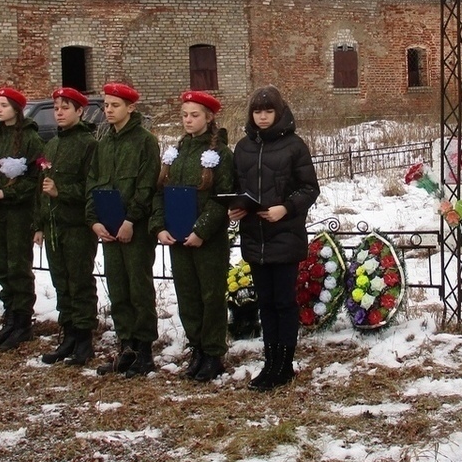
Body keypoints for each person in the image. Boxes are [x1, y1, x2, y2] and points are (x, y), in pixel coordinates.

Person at [229, 85, 320, 391]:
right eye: (258, 112)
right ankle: (269, 362)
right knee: (265, 303)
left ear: (279, 113)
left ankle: (285, 364)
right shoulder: (242, 148)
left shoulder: (294, 146)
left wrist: (285, 207)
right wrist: (237, 208)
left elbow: (309, 188)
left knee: (283, 302)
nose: (263, 117)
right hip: (255, 237)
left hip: (285, 234)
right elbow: (236, 186)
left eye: (268, 111)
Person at [152, 90, 235, 382]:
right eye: (185, 115)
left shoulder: (220, 154)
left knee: (211, 295)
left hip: (207, 240)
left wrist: (201, 230)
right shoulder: (175, 153)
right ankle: (197, 347)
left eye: (195, 115)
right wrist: (160, 226)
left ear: (209, 117)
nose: (188, 120)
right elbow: (160, 193)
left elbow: (222, 198)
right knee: (187, 294)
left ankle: (213, 352)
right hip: (177, 238)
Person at [88, 82, 162, 377]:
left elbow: (146, 185)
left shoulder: (144, 142)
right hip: (109, 228)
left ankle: (144, 351)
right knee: (118, 288)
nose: (108, 110)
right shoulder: (103, 142)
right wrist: (93, 220)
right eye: (105, 105)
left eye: (114, 105)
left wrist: (131, 220)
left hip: (135, 229)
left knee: (138, 288)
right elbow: (93, 183)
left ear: (131, 108)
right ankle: (126, 347)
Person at [0, 86, 45, 351]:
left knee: (18, 266)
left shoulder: (31, 140)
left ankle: (22, 322)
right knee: (2, 266)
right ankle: (9, 316)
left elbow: (34, 181)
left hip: (18, 213)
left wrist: (6, 192)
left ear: (16, 109)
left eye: (4, 105)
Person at [38, 87, 98, 366]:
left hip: (77, 226)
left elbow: (91, 187)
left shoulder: (88, 144)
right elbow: (43, 190)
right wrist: (39, 224)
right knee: (61, 281)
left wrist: (62, 191)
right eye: (57, 108)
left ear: (79, 111)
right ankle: (69, 334)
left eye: (65, 108)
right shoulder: (51, 145)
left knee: (79, 281)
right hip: (54, 225)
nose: (59, 113)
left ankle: (84, 338)